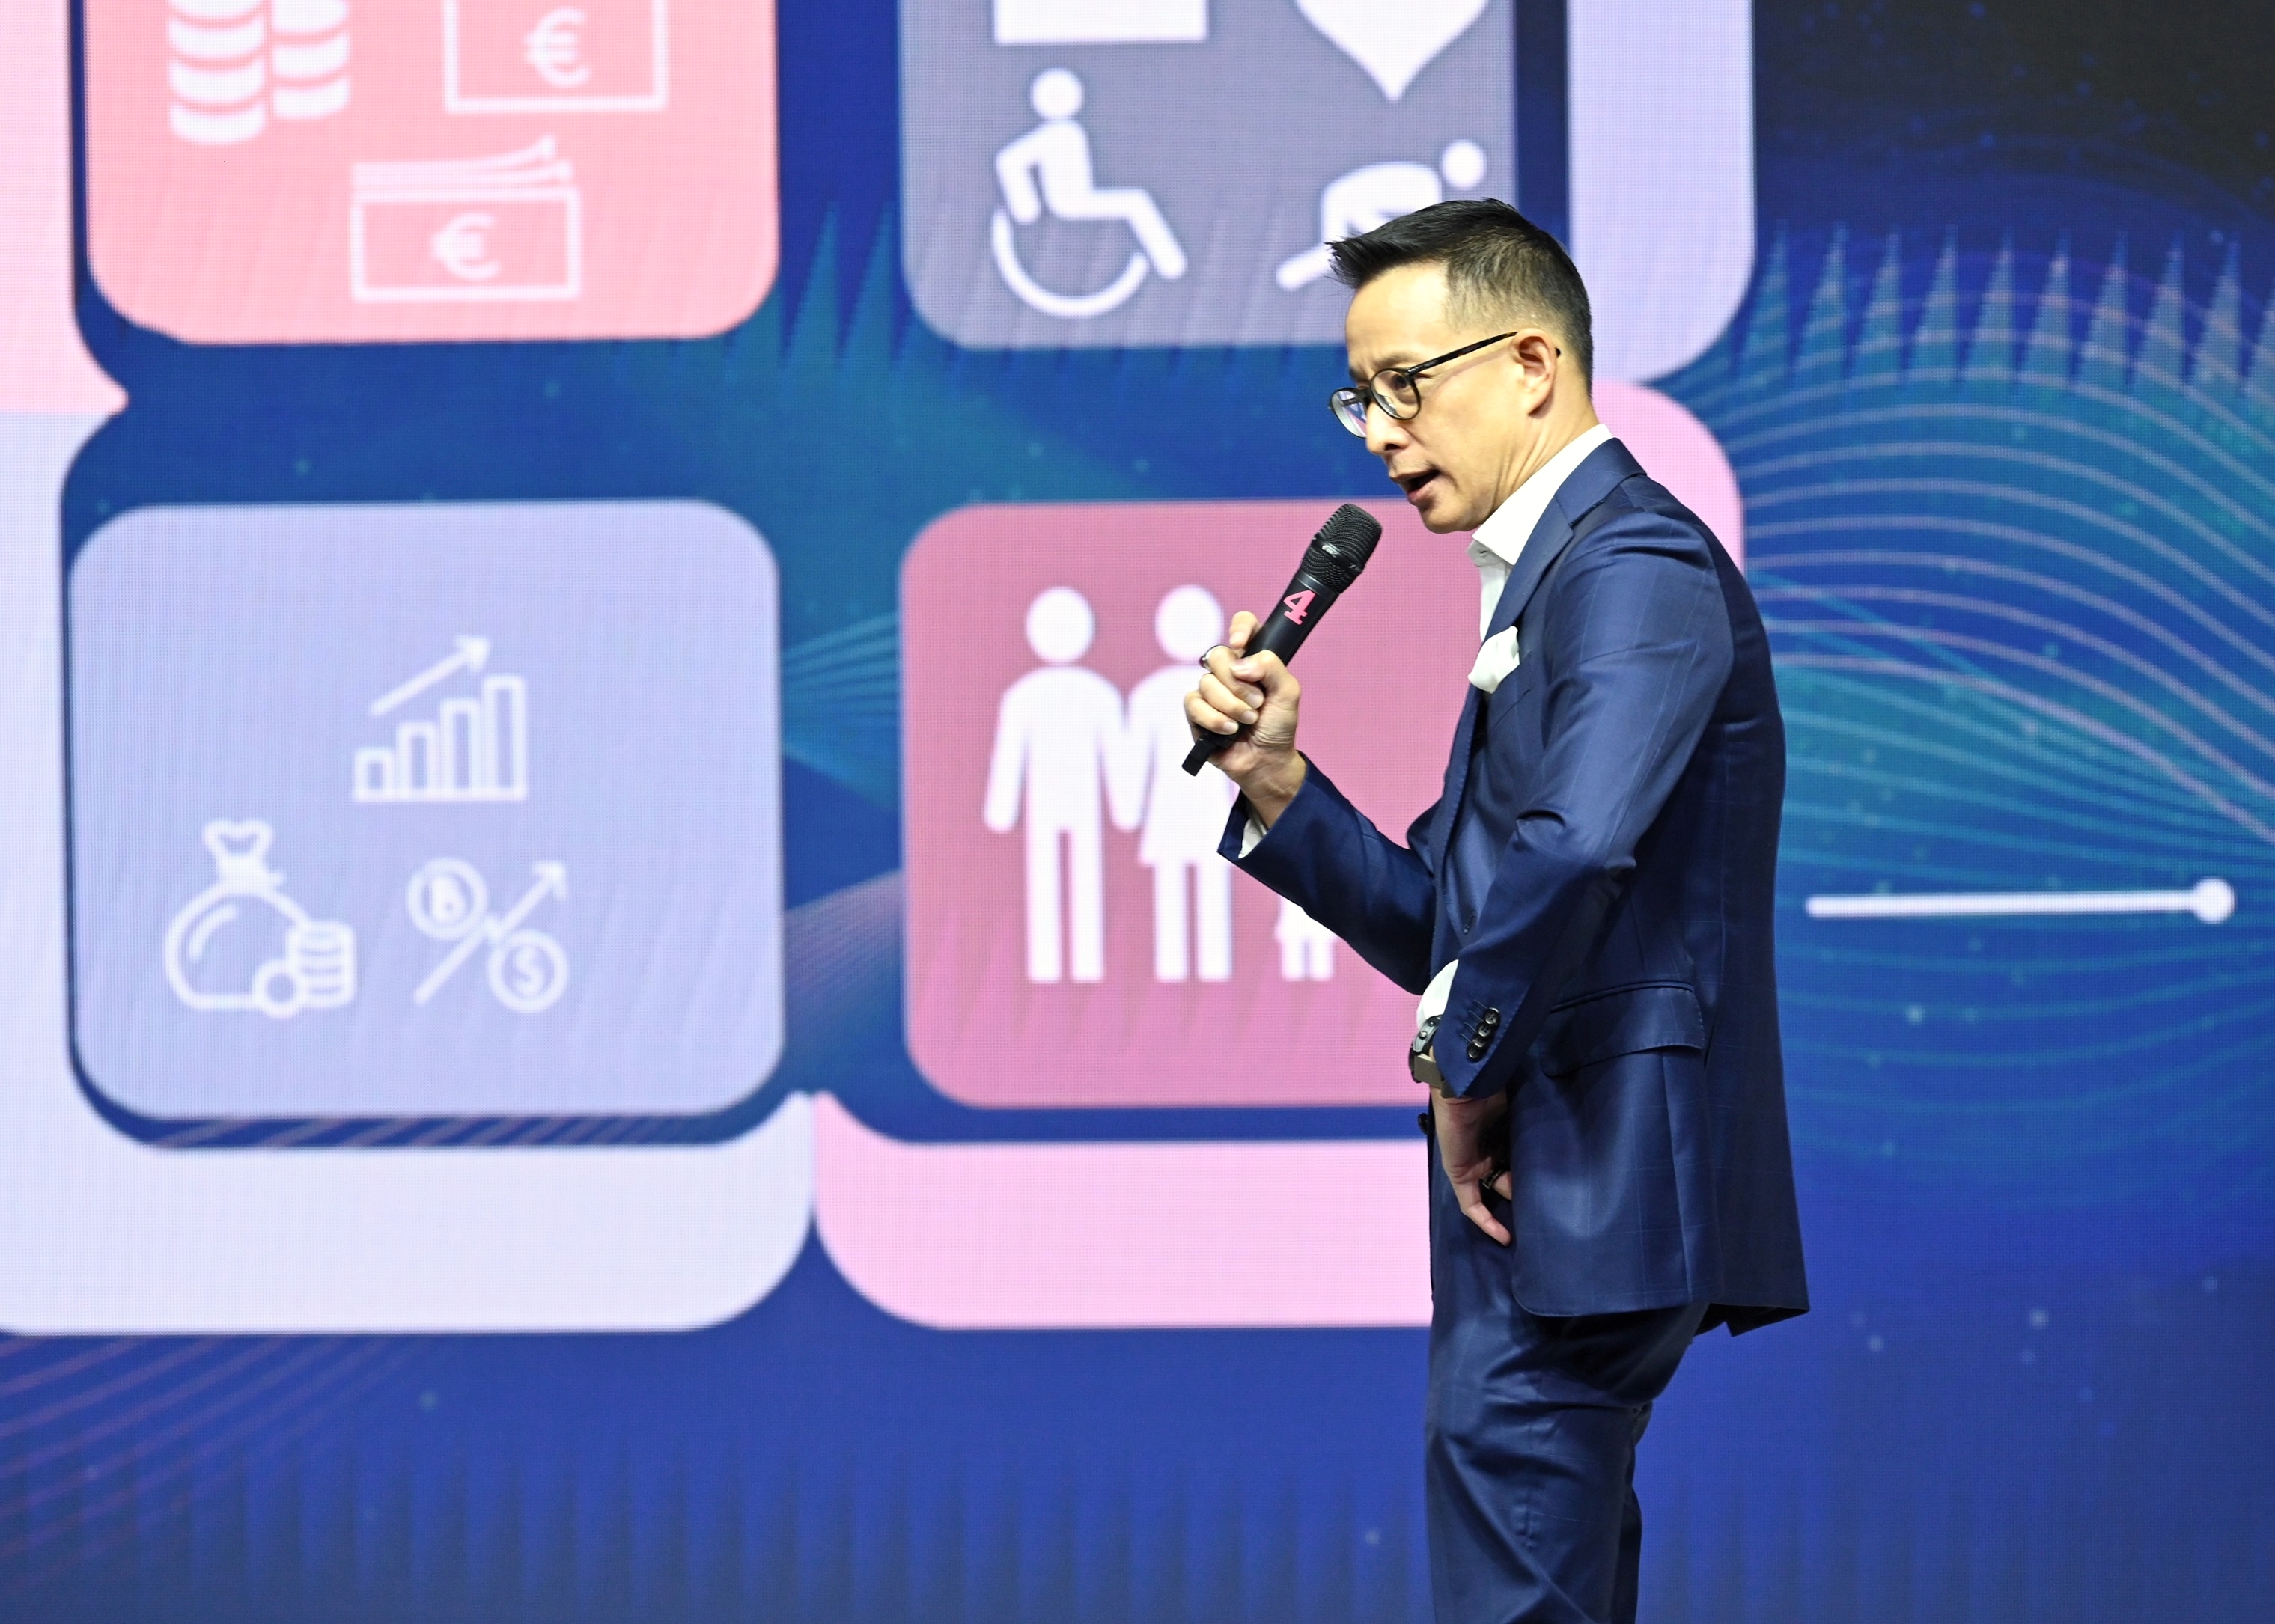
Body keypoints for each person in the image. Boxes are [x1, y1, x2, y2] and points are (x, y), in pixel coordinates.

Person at [1186, 199, 1807, 1624]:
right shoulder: (1562, 576)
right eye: (1359, 396)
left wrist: (1459, 1066)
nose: (1377, 431)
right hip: (1561, 1187)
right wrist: (1276, 782)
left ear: (1531, 364)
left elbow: (1574, 854)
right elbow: (1457, 922)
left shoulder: (1628, 566)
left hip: (1577, 1188)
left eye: (1405, 385)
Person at [983, 587, 1126, 983]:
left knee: (1082, 876)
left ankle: (1084, 961)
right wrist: (1002, 809)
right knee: (1048, 876)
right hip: (1048, 803)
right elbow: (1010, 756)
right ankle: (1051, 962)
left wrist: (1125, 807)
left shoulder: (1095, 695)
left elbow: (1114, 752)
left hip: (1077, 802)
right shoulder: (1030, 696)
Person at [1117, 585, 1238, 982]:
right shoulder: (1152, 696)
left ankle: (1209, 969)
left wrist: (1127, 809)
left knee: (1207, 887)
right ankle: (1183, 970)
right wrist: (1128, 809)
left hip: (1202, 810)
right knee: (1178, 887)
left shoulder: (1219, 694)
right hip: (1174, 812)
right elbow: (1137, 757)